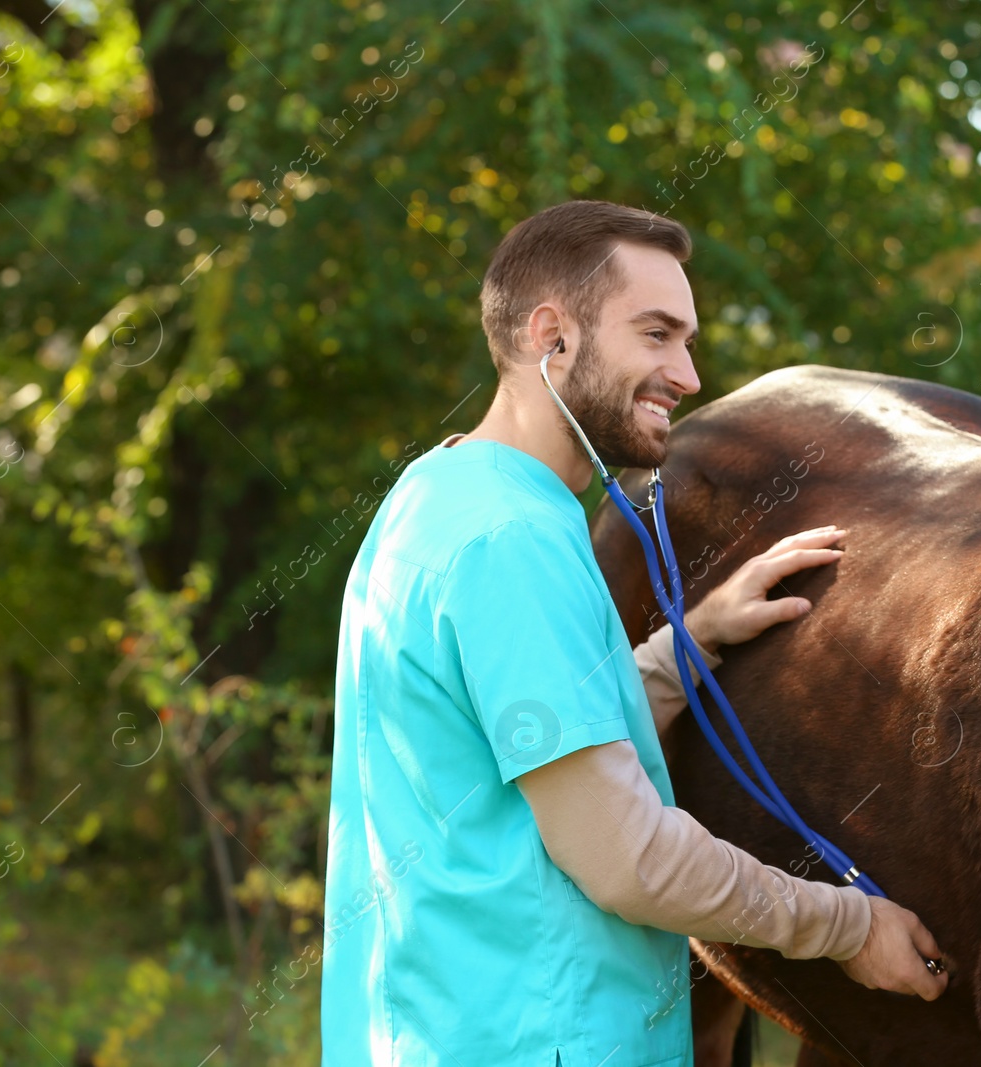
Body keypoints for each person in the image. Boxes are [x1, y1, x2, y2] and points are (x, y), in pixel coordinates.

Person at [320, 199, 948, 1066]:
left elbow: (511, 746)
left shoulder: (438, 495)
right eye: (656, 335)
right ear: (553, 337)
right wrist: (846, 925)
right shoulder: (514, 546)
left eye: (686, 341)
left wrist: (690, 644)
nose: (686, 376)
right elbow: (627, 859)